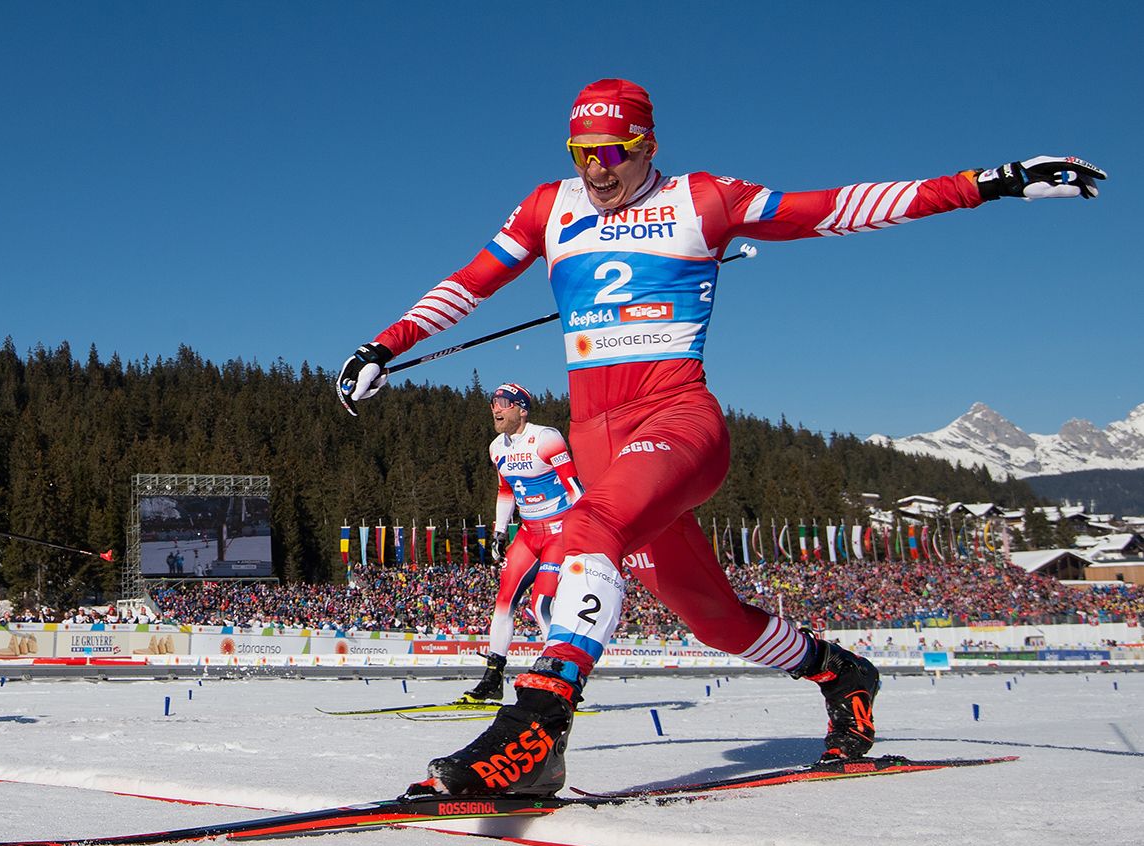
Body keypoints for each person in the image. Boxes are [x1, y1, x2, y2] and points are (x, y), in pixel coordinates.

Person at [337, 78, 1105, 796]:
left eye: (614, 153)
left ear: (648, 144)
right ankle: (841, 675)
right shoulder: (549, 207)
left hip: (675, 420)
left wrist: (990, 182)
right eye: (582, 155)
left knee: (586, 530)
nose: (598, 171)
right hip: (603, 445)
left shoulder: (701, 199)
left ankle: (535, 733)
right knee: (716, 621)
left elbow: (836, 206)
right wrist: (385, 346)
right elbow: (469, 281)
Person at [457, 382, 584, 704]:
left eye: (503, 403)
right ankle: (492, 678)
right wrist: (499, 531)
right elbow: (506, 490)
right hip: (528, 533)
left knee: (541, 605)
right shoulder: (497, 447)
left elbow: (573, 486)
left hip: (559, 531)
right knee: (503, 602)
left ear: (521, 409)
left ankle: (562, 679)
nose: (495, 409)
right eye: (493, 404)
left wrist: (585, 530)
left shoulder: (546, 438)